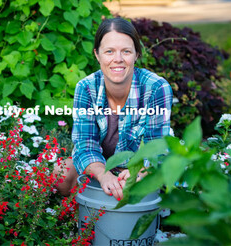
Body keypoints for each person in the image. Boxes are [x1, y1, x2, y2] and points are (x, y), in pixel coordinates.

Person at [54, 17, 173, 201]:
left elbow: (156, 148)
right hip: (101, 170)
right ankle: (83, 213)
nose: (117, 59)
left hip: (142, 171)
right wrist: (103, 175)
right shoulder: (86, 88)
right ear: (97, 54)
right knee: (60, 174)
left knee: (163, 180)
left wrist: (138, 173)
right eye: (109, 51)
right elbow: (85, 145)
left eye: (126, 51)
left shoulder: (156, 88)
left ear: (136, 54)